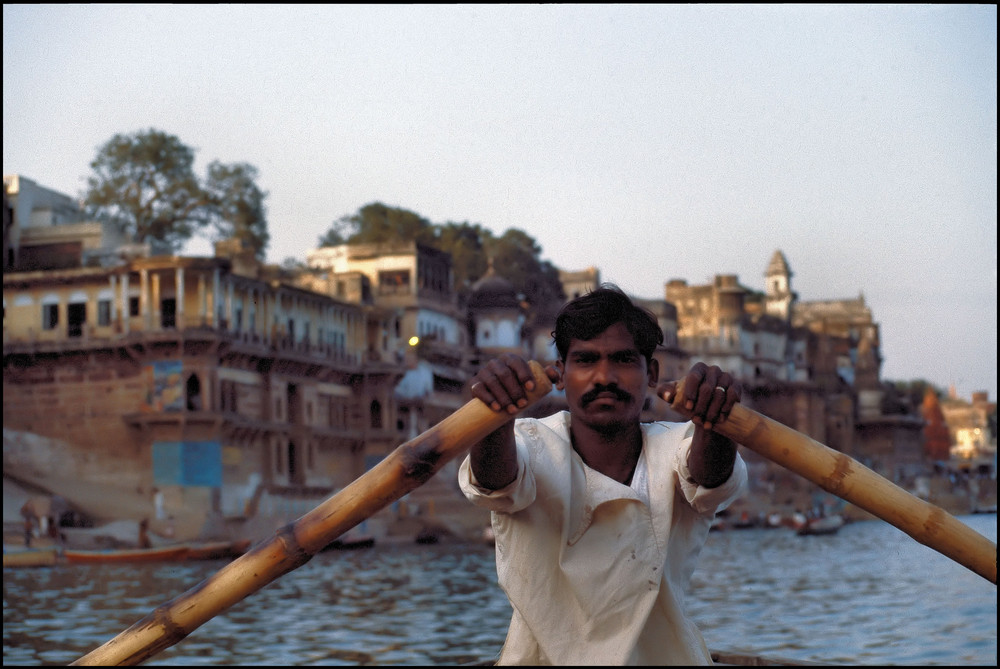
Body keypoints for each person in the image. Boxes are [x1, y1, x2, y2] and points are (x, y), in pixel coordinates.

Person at [458, 284, 748, 665]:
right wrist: (494, 416)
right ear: (560, 373)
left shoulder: (677, 445)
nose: (604, 377)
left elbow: (708, 478)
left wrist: (715, 419)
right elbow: (495, 482)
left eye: (624, 360)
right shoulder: (529, 441)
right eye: (586, 360)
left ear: (652, 374)